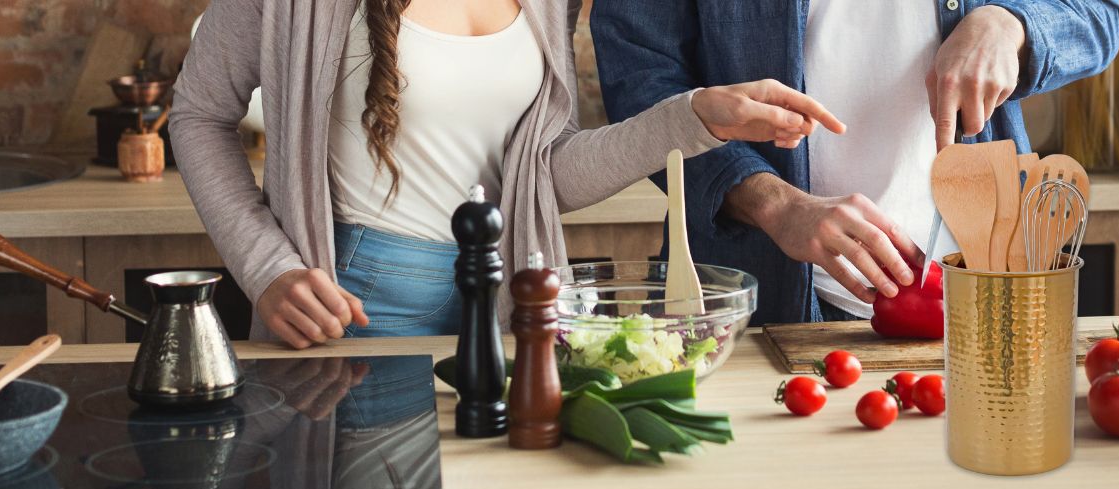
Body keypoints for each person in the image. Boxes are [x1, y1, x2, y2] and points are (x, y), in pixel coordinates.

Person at [171, 0, 844, 349]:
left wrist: (694, 117)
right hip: (358, 307)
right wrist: (267, 267)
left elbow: (541, 179)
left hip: (510, 306)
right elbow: (198, 113)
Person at [593, 0, 1119, 325]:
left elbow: (1099, 11)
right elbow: (639, 78)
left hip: (982, 282)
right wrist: (774, 203)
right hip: (758, 293)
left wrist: (1011, 24)